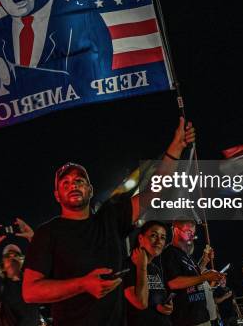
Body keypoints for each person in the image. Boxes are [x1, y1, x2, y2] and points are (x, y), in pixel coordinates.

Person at [21, 118, 195, 326]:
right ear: (57, 195)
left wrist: (175, 149)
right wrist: (83, 284)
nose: (73, 185)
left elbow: (154, 191)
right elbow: (30, 291)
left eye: (79, 181)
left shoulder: (110, 219)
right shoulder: (47, 233)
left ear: (90, 190)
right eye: (65, 183)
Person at [0, 219, 40, 326]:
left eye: (16, 255)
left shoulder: (30, 281)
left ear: (22, 261)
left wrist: (32, 236)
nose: (12, 257)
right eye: (8, 256)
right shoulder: (0, 284)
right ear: (3, 265)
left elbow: (44, 260)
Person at [162, 220, 225, 326]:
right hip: (186, 319)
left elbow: (194, 275)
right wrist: (204, 277)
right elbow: (174, 283)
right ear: (176, 230)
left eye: (193, 233)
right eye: (188, 232)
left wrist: (205, 260)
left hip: (201, 316)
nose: (191, 236)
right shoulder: (169, 253)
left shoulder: (186, 254)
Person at [124, 220, 173, 326]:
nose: (159, 241)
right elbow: (141, 303)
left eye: (163, 237)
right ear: (141, 238)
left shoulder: (155, 268)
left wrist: (167, 306)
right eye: (154, 235)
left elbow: (158, 299)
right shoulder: (127, 266)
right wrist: (142, 266)